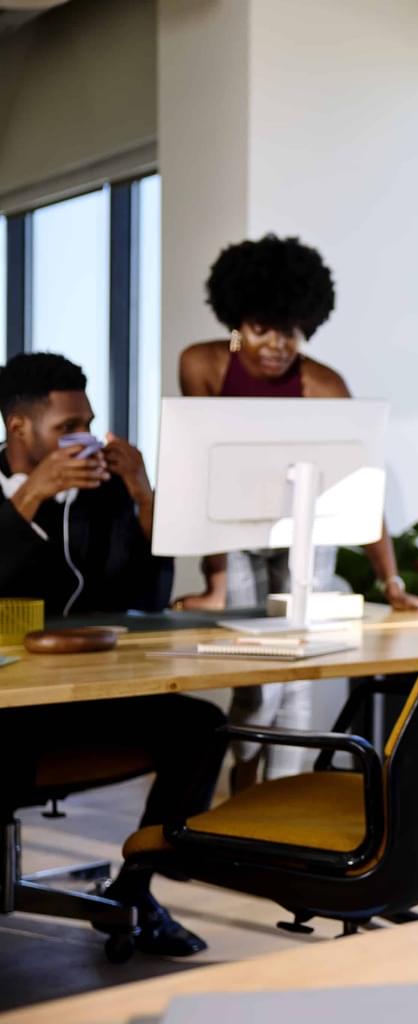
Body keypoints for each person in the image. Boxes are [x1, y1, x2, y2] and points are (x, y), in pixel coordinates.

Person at [171, 234, 418, 785]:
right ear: (236, 323)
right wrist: (215, 581)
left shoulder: (324, 385)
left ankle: (275, 805)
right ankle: (243, 781)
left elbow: (359, 487)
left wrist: (392, 582)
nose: (275, 344)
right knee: (260, 682)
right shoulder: (202, 365)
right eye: (261, 328)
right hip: (235, 531)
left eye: (289, 330)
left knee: (297, 679)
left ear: (306, 326)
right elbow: (202, 471)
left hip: (307, 534)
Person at [0, 353, 225, 955]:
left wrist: (144, 496)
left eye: (91, 424)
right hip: (8, 708)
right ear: (18, 428)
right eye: (67, 428)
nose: (87, 441)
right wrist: (29, 497)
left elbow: (146, 603)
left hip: (80, 696)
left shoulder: (101, 498)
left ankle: (136, 887)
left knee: (199, 726)